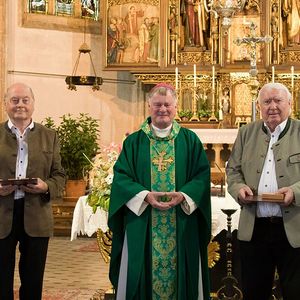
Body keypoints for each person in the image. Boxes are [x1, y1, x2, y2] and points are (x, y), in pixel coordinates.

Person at [108, 83, 211, 299]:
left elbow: (202, 176)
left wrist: (184, 195)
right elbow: (121, 178)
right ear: (149, 106)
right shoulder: (134, 142)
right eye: (157, 105)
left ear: (176, 108)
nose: (162, 109)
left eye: (167, 105)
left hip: (181, 220)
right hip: (143, 221)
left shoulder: (189, 140)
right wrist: (144, 195)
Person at [226, 82, 300, 300]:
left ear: (290, 103)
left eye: (278, 100)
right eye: (267, 101)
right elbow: (233, 170)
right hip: (255, 229)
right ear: (259, 106)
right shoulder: (246, 133)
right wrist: (239, 189)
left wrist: (295, 192)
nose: (272, 106)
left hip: (293, 230)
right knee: (254, 292)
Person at [0, 83, 66, 300]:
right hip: (2, 215)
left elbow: (60, 176)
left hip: (37, 216)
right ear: (5, 104)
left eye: (25, 100)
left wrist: (46, 186)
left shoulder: (50, 135)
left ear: (33, 103)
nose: (20, 105)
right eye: (15, 100)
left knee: (33, 282)